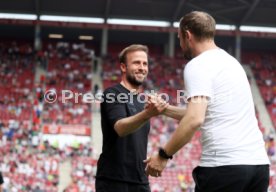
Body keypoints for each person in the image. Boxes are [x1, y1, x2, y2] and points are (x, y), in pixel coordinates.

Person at [145, 11, 270, 192]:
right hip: (258, 166)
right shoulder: (232, 63)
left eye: (179, 38)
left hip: (224, 167)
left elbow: (195, 119)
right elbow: (209, 113)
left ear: (188, 36)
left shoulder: (198, 65)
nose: (180, 45)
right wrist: (165, 109)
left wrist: (163, 155)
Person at [95, 44, 167, 192]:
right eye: (136, 63)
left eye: (145, 63)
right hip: (114, 181)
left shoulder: (142, 101)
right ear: (123, 67)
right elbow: (120, 128)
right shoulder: (112, 93)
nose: (142, 67)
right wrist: (148, 114)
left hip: (140, 181)